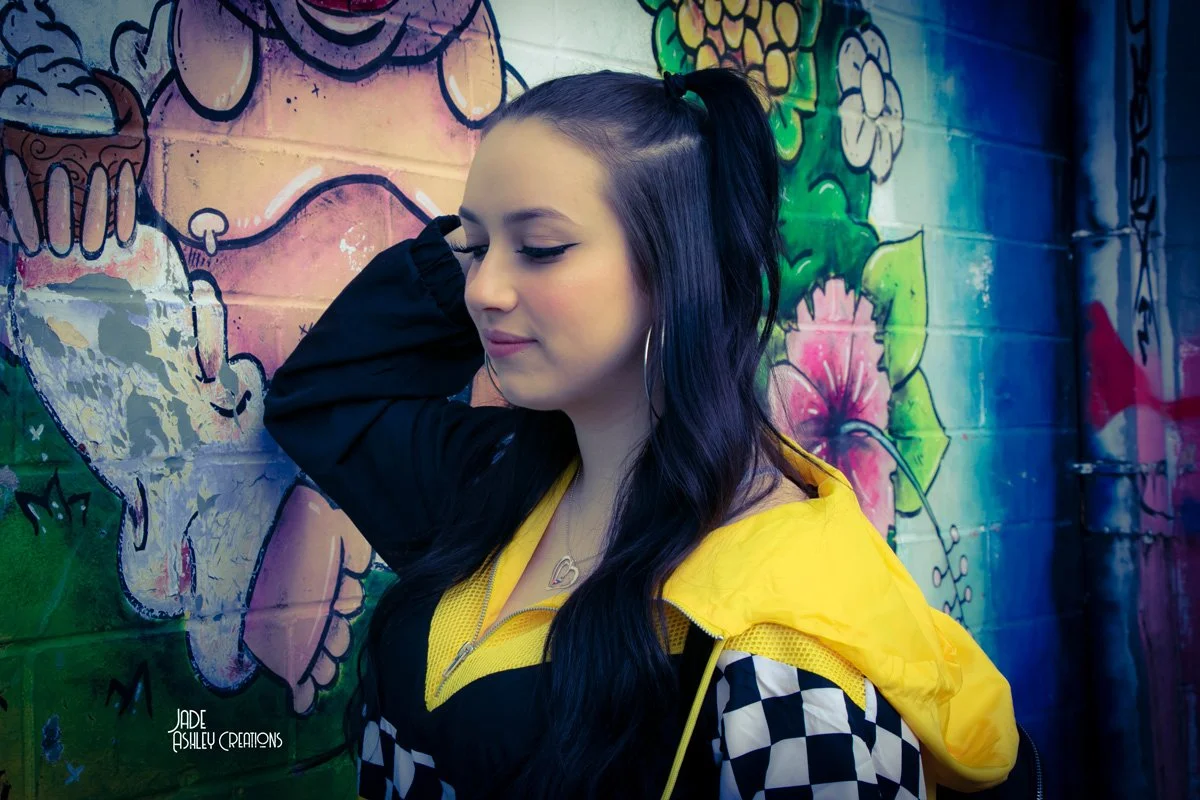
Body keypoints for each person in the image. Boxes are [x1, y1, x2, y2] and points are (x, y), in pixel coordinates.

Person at [263, 67, 1019, 800]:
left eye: (541, 248)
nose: (482, 290)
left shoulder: (778, 651)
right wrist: (456, 247)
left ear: (675, 273)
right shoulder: (497, 478)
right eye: (476, 248)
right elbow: (323, 398)